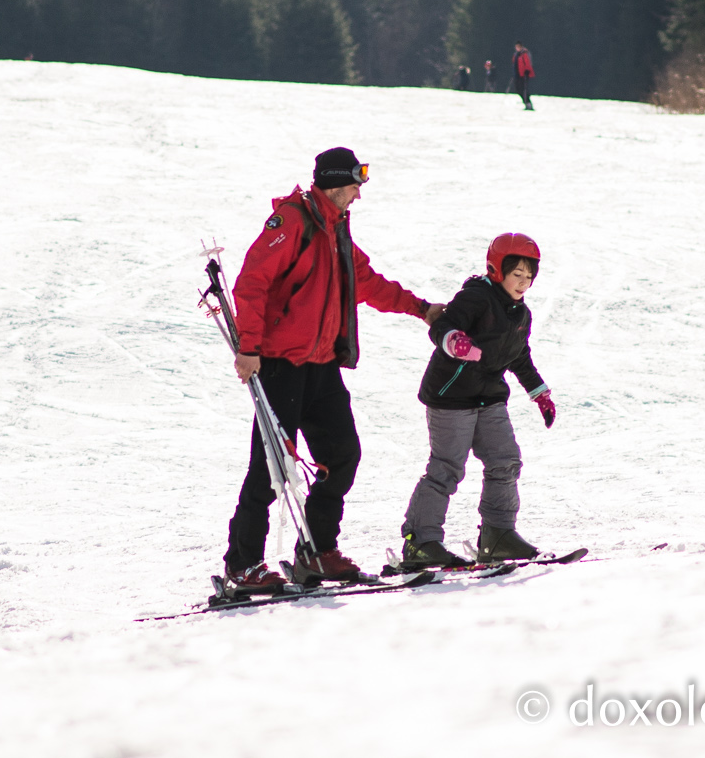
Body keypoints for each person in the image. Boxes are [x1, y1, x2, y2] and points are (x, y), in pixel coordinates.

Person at [222, 148, 445, 589]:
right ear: (337, 185)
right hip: (281, 366)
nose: (359, 195)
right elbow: (252, 283)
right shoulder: (292, 223)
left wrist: (421, 310)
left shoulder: (337, 231)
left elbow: (369, 283)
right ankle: (242, 564)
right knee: (271, 466)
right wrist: (249, 347)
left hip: (322, 367)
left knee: (342, 454)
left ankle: (317, 552)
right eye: (356, 186)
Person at [400, 233, 556, 568]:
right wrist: (454, 340)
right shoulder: (475, 298)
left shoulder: (519, 314)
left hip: (489, 398)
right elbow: (443, 325)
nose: (524, 283)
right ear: (497, 270)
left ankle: (498, 535)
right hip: (451, 396)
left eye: (529, 276)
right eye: (517, 274)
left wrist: (539, 392)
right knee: (447, 469)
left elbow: (519, 357)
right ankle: (420, 541)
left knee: (506, 461)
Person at [512, 43, 536, 111]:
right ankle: (525, 102)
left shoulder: (525, 54)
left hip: (524, 75)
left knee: (524, 89)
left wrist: (527, 71)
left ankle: (528, 104)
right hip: (517, 75)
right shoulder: (516, 55)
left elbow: (528, 63)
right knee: (518, 89)